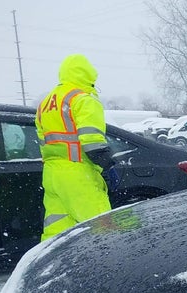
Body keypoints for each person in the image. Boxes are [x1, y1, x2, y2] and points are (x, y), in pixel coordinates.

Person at [35, 54, 120, 241]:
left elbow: (44, 142)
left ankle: (52, 259)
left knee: (56, 230)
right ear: (87, 74)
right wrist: (108, 167)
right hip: (78, 173)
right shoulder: (83, 99)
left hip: (52, 173)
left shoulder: (46, 104)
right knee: (102, 229)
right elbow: (92, 142)